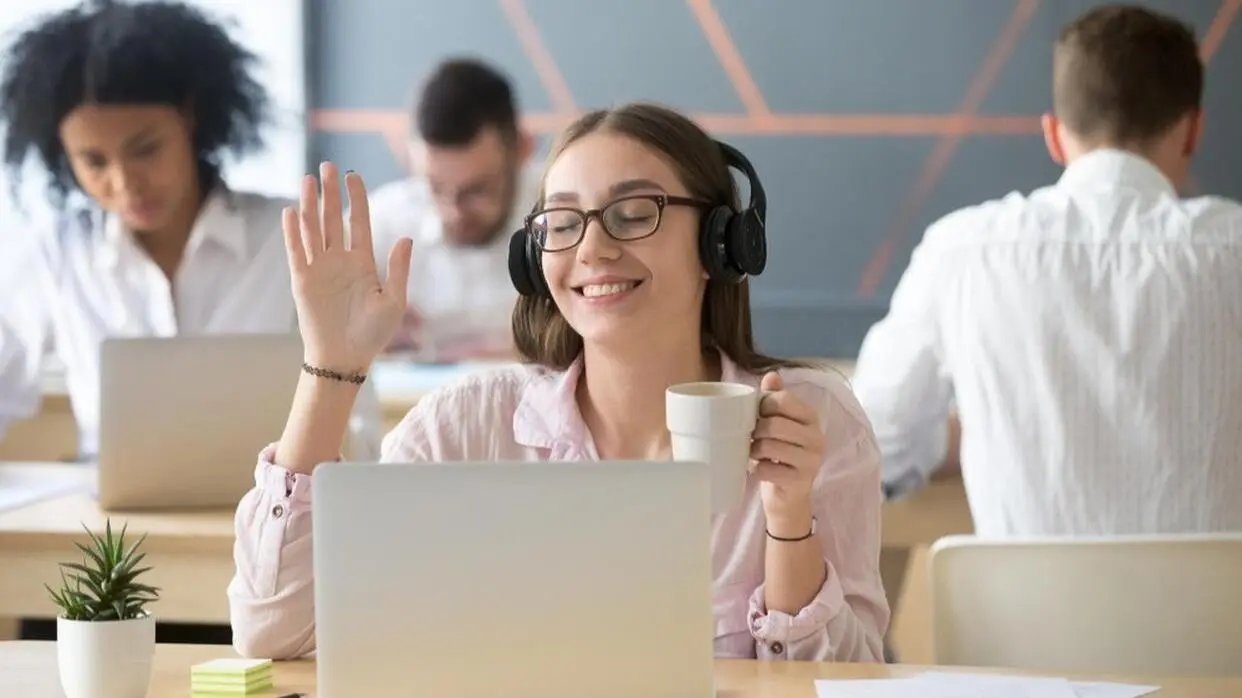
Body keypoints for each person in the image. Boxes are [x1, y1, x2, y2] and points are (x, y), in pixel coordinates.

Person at [227, 102, 889, 661]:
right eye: (563, 223)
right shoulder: (466, 428)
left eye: (634, 214)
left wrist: (788, 521)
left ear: (723, 242)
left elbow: (853, 678)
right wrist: (331, 367)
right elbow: (274, 633)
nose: (593, 250)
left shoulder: (812, 422)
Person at [852, 4, 1242, 535]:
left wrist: (977, 427)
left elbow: (874, 439)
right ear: (1193, 131)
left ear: (1054, 135)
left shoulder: (962, 251)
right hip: (1218, 619)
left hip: (1023, 619)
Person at [0, 0, 382, 461]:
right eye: (94, 162)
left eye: (145, 149)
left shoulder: (293, 240)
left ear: (191, 116)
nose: (123, 184)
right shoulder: (55, 256)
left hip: (275, 518)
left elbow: (357, 430)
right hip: (113, 529)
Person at [366, 57, 540, 361]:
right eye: (435, 187)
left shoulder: (569, 213)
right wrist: (365, 335)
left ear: (523, 149)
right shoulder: (381, 223)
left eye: (476, 190)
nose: (453, 211)